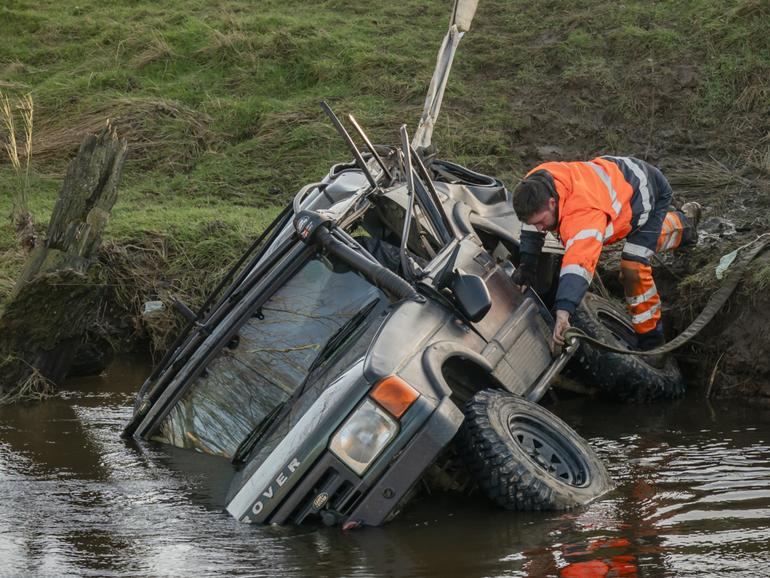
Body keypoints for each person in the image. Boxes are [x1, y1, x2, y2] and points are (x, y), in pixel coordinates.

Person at [511, 156, 701, 352]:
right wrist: (527, 264)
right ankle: (684, 225)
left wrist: (563, 311)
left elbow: (579, 264)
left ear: (552, 203)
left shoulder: (583, 213)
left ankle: (652, 340)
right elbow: (531, 223)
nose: (540, 228)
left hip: (646, 191)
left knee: (633, 267)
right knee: (647, 240)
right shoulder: (535, 185)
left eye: (542, 221)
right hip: (617, 183)